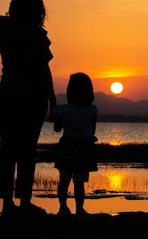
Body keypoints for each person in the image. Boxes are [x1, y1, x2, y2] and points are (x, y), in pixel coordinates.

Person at [0, 0, 57, 216]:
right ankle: (19, 203)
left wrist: (52, 100)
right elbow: (40, 67)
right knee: (25, 151)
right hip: (27, 96)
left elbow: (42, 68)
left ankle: (13, 203)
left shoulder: (5, 26)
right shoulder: (25, 32)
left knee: (10, 149)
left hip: (14, 95)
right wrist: (53, 101)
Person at [52, 72, 99, 217]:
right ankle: (79, 209)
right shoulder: (92, 110)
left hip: (67, 146)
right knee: (79, 181)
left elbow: (57, 129)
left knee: (64, 180)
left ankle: (63, 208)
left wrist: (55, 115)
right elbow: (92, 131)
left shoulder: (62, 109)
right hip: (84, 147)